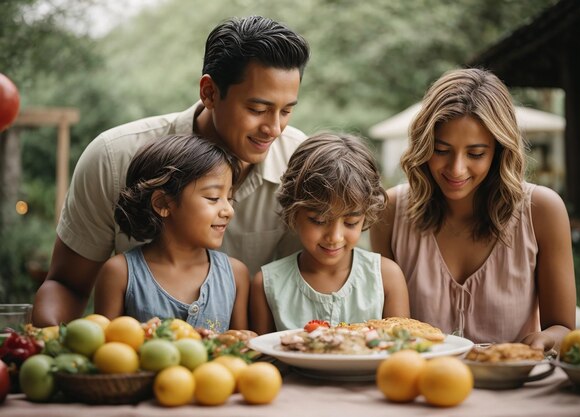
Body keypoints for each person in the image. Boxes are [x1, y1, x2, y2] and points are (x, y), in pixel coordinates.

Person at [32, 16, 310, 326]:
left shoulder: (300, 166)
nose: (273, 129)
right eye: (257, 109)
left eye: (286, 111)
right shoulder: (113, 157)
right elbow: (67, 285)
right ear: (209, 92)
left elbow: (316, 280)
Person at [370, 68, 576, 351]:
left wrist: (543, 340)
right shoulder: (391, 211)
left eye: (476, 154)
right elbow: (385, 329)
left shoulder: (542, 211)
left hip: (512, 385)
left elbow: (564, 328)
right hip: (419, 386)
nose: (456, 169)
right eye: (441, 150)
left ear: (499, 150)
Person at [250, 133, 410, 335]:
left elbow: (402, 355)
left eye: (351, 223)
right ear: (293, 211)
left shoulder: (386, 278)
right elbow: (263, 360)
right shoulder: (267, 284)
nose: (335, 237)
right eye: (319, 221)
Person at [93, 135, 248, 332]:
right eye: (213, 197)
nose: (228, 210)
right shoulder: (119, 273)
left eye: (230, 198)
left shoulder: (235, 275)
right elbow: (108, 350)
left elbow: (240, 355)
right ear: (163, 204)